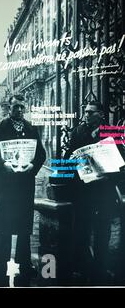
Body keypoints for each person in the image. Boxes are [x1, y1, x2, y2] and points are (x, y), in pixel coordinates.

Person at [0, 94, 46, 286]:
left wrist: (32, 167)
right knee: (3, 222)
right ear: (8, 108)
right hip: (5, 184)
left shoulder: (32, 128)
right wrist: (3, 165)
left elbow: (41, 154)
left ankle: (24, 263)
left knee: (23, 225)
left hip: (24, 184)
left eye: (22, 107)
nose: (19, 110)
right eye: (15, 107)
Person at [64, 101, 118, 284]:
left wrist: (111, 174)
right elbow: (66, 163)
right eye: (85, 112)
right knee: (81, 231)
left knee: (103, 232)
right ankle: (82, 268)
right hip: (83, 192)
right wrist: (70, 159)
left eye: (90, 112)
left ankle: (101, 269)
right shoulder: (77, 132)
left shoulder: (112, 132)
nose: (86, 115)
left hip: (104, 191)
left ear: (101, 115)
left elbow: (122, 162)